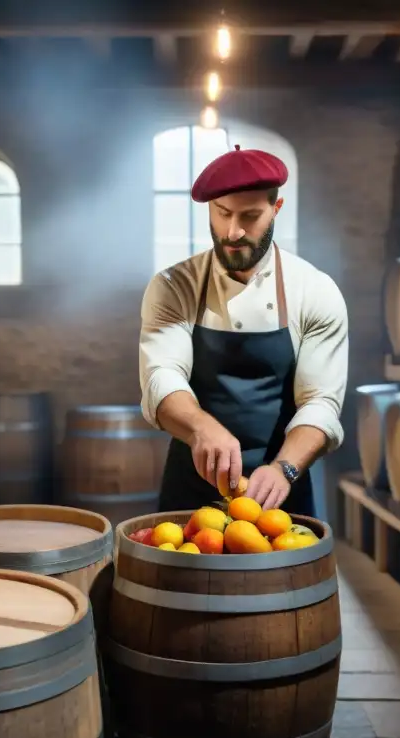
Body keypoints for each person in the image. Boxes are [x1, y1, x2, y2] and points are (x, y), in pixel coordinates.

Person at [138, 144, 349, 517]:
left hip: (281, 492)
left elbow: (321, 402)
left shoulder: (314, 291)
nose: (233, 232)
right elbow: (161, 376)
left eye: (250, 216)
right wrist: (200, 427)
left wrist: (284, 468)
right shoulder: (174, 286)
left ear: (276, 209)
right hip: (190, 494)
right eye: (222, 214)